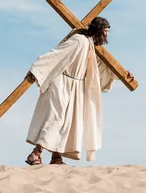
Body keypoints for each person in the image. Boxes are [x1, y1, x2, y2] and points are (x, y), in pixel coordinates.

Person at [25, 16, 134, 165]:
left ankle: (56, 157)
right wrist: (38, 67)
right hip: (62, 84)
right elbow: (57, 53)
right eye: (106, 31)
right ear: (98, 30)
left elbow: (101, 68)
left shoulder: (92, 48)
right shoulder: (79, 41)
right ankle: (35, 154)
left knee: (67, 122)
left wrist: (122, 73)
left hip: (75, 88)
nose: (107, 35)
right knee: (56, 119)